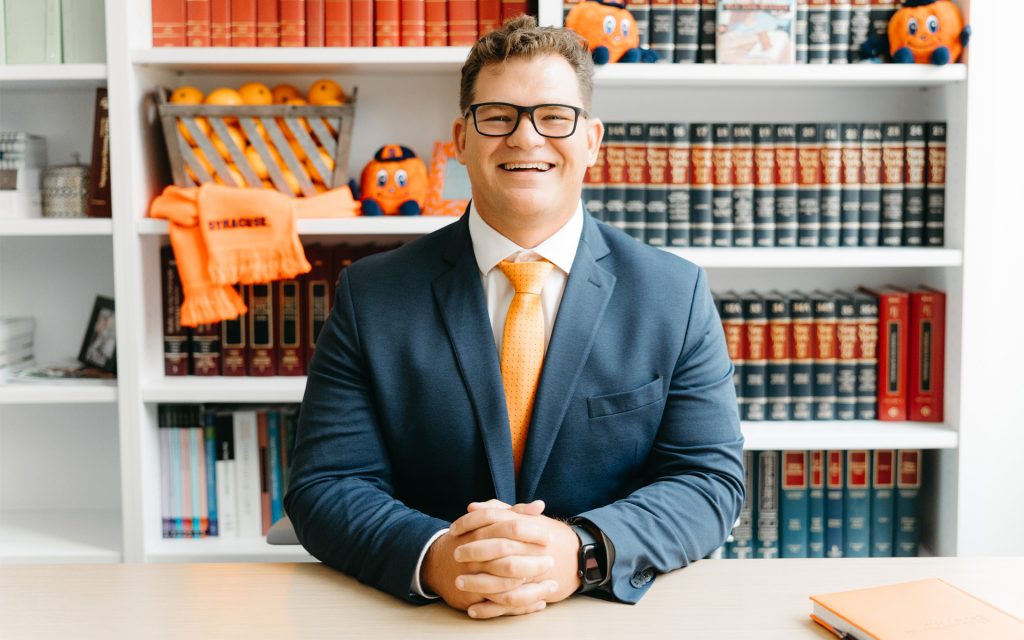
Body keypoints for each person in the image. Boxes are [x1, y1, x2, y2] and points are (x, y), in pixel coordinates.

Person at [285, 15, 744, 620]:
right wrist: (435, 557)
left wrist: (579, 551)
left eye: (555, 117)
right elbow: (325, 484)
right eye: (498, 116)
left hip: (609, 617)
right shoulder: (372, 294)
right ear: (461, 138)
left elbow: (709, 482)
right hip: (424, 622)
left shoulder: (673, 294)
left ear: (592, 141)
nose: (526, 138)